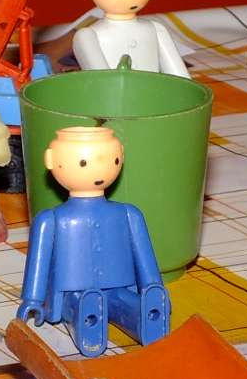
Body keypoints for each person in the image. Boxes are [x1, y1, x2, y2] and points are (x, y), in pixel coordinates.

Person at [18, 125, 169, 357]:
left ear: (121, 157)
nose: (98, 171)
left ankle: (147, 319)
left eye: (113, 160)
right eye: (83, 163)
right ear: (51, 161)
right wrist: (33, 298)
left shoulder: (129, 214)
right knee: (79, 306)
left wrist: (154, 289)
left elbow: (144, 256)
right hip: (70, 290)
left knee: (128, 304)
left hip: (119, 286)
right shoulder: (51, 219)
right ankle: (88, 328)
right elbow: (38, 262)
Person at [71, 0, 190, 77]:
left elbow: (180, 76)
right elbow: (103, 80)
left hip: (151, 89)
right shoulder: (87, 36)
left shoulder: (156, 29)